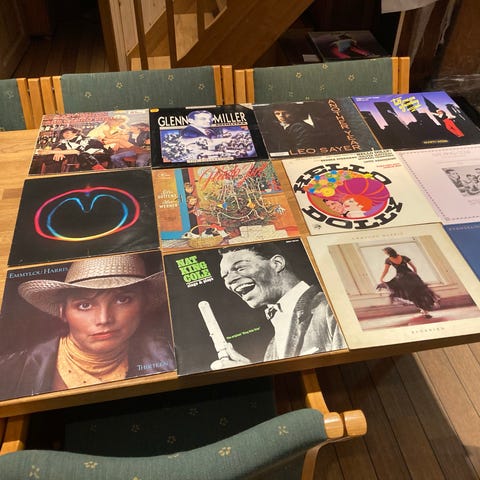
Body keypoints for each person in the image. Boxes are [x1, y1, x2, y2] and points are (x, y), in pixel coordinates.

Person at [0, 254, 175, 400]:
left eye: (122, 300)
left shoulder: (171, 356)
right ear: (63, 312)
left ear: (143, 305)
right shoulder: (10, 370)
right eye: (85, 305)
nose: (104, 319)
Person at [210, 243, 346, 369]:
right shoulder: (271, 348)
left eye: (240, 268)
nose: (229, 280)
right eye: (224, 276)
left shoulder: (331, 308)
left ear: (277, 263)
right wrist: (253, 371)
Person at [378, 247, 439, 318]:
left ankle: (424, 311)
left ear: (388, 252)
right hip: (412, 276)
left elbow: (386, 270)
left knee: (412, 295)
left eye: (385, 252)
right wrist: (414, 275)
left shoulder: (388, 260)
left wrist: (381, 278)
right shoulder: (404, 257)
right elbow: (414, 268)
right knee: (421, 293)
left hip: (402, 278)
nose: (384, 253)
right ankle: (425, 311)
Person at [35, 127, 109, 172]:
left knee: (83, 155)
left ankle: (101, 170)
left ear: (75, 133)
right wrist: (58, 152)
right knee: (48, 158)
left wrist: (48, 152)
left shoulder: (86, 139)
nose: (65, 135)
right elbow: (59, 147)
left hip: (99, 154)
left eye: (67, 133)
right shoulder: (66, 142)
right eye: (64, 134)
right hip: (82, 158)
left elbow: (76, 151)